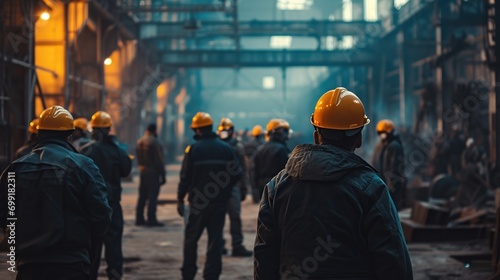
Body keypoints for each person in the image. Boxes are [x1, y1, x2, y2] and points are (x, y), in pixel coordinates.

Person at [254, 88, 413, 280]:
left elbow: (264, 258)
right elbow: (392, 259)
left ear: (316, 134)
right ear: (359, 138)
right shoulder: (371, 188)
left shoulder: (276, 187)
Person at [0, 105, 112, 279]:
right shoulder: (83, 166)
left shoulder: (15, 169)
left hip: (28, 265)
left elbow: (4, 216)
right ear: (70, 134)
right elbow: (101, 216)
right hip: (71, 264)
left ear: (38, 133)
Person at [177, 112, 242, 280]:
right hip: (218, 204)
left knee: (191, 240)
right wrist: (225, 193)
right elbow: (237, 173)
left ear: (197, 130)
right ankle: (211, 275)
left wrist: (180, 199)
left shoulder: (193, 149)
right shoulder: (226, 149)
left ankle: (188, 273)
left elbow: (185, 177)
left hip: (197, 203)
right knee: (215, 242)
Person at [80, 111, 132, 280]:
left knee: (92, 248)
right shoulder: (117, 151)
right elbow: (126, 171)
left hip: (90, 207)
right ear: (109, 129)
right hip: (112, 204)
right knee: (114, 248)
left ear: (93, 129)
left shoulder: (85, 151)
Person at [217, 117, 252, 257]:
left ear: (232, 131)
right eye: (223, 130)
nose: (225, 132)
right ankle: (219, 245)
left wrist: (243, 187)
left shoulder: (237, 146)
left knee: (234, 217)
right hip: (220, 187)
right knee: (219, 218)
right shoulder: (217, 146)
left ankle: (236, 245)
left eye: (227, 130)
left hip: (232, 187)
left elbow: (242, 168)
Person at [135, 123, 166, 227]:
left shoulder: (140, 141)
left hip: (142, 171)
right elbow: (159, 160)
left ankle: (139, 219)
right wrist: (163, 174)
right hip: (153, 173)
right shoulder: (154, 142)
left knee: (142, 196)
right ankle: (151, 219)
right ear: (155, 130)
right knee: (152, 197)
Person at [251, 118, 290, 199]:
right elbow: (287, 171)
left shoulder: (260, 149)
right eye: (284, 131)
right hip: (279, 185)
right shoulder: (282, 149)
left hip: (263, 186)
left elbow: (254, 171)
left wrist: (256, 187)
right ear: (279, 132)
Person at [373, 119, 406, 210]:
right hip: (380, 183)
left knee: (391, 208)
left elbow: (395, 169)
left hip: (391, 186)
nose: (382, 134)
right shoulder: (379, 146)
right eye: (380, 132)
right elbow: (374, 163)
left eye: (384, 132)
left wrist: (390, 186)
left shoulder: (395, 146)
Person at [243, 125, 265, 203]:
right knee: (260, 181)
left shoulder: (249, 142)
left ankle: (256, 199)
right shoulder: (263, 142)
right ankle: (261, 198)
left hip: (251, 165)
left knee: (253, 182)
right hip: (262, 166)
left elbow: (245, 154)